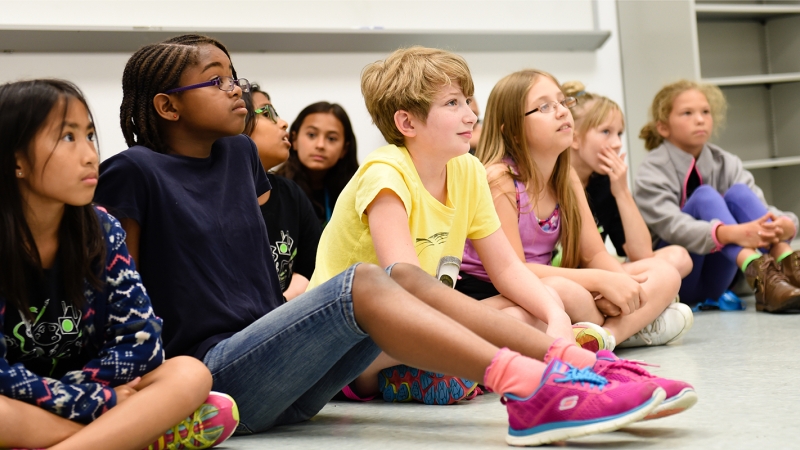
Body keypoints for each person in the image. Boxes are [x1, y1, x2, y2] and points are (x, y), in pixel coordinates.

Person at [93, 35, 674, 446]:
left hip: (283, 374)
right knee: (373, 280)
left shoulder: (239, 156)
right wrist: (138, 395)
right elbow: (122, 296)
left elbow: (242, 261)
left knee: (402, 287)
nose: (237, 88)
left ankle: (568, 361)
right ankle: (530, 388)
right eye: (216, 80)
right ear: (167, 105)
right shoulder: (134, 173)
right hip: (214, 377)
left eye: (234, 74)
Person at [0, 79, 237, 450]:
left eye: (90, 135)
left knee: (190, 374)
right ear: (15, 161)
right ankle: (133, 435)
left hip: (93, 388)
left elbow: (142, 342)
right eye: (67, 137)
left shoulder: (102, 230)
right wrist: (97, 403)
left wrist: (87, 391)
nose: (90, 154)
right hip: (33, 401)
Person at [459, 69, 691, 362]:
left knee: (665, 273)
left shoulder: (565, 176)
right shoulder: (500, 180)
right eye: (544, 106)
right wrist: (600, 282)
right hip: (500, 291)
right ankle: (634, 326)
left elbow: (594, 254)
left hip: (542, 286)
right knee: (571, 294)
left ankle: (609, 338)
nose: (560, 112)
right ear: (513, 130)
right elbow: (514, 270)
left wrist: (625, 287)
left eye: (561, 102)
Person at [635, 79, 800, 313]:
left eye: (705, 112)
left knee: (740, 193)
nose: (700, 119)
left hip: (719, 280)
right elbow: (673, 227)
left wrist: (784, 224)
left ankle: (789, 266)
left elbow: (758, 207)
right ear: (663, 127)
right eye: (687, 113)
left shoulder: (726, 161)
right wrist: (731, 232)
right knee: (705, 196)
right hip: (679, 281)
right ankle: (760, 273)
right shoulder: (651, 170)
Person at [562, 81, 694, 348]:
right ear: (574, 137)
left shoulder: (602, 182)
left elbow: (641, 253)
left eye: (619, 134)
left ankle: (610, 331)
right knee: (657, 278)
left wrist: (621, 190)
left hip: (602, 277)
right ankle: (639, 322)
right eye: (605, 132)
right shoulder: (556, 179)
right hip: (574, 281)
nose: (615, 143)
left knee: (677, 258)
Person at [243, 86, 321, 300]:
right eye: (267, 113)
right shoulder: (213, 197)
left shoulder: (291, 194)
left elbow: (312, 265)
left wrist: (283, 304)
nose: (284, 122)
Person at [275, 101, 359, 226]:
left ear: (344, 149)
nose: (320, 145)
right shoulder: (274, 189)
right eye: (312, 135)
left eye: (331, 138)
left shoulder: (356, 194)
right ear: (294, 139)